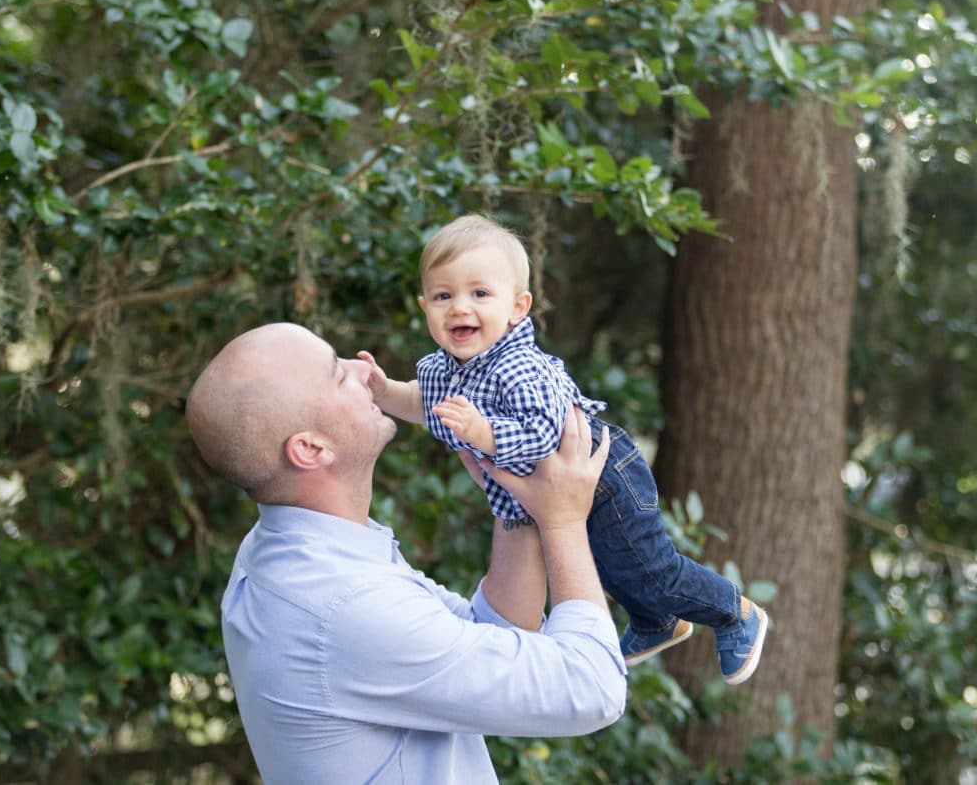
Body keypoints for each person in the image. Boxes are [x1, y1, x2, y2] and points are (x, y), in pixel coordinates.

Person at [185, 322, 627, 784]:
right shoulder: (344, 605)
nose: (362, 367)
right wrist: (563, 522)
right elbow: (592, 687)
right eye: (338, 374)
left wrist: (515, 493)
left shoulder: (296, 551)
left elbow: (488, 631)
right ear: (311, 449)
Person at [358, 214, 769, 680]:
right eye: (443, 296)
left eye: (480, 294)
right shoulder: (441, 368)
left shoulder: (517, 367)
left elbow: (540, 433)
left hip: (603, 473)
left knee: (650, 570)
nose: (459, 308)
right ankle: (657, 621)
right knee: (612, 566)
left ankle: (735, 612)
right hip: (560, 487)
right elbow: (423, 401)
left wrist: (482, 432)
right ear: (425, 306)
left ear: (517, 307)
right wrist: (384, 390)